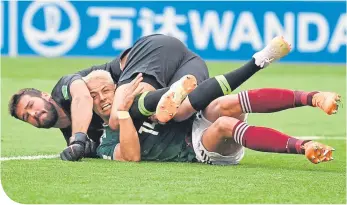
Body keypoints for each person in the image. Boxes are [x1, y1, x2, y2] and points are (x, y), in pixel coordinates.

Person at [8, 34, 289, 159]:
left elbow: (82, 98)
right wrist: (86, 147)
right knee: (182, 110)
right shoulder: (76, 133)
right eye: (26, 116)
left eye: (31, 106)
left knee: (123, 108)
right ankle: (258, 62)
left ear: (45, 96)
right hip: (185, 68)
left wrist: (78, 140)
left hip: (150, 53)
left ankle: (163, 98)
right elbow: (110, 148)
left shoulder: (66, 89)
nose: (33, 114)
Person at [81, 70, 337, 164]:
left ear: (117, 89)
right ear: (89, 105)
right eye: (94, 96)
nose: (102, 98)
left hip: (194, 121)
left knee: (225, 104)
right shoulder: (105, 142)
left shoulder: (140, 103)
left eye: (107, 91)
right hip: (196, 148)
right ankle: (303, 147)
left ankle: (313, 97)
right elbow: (131, 156)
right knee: (226, 124)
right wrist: (122, 112)